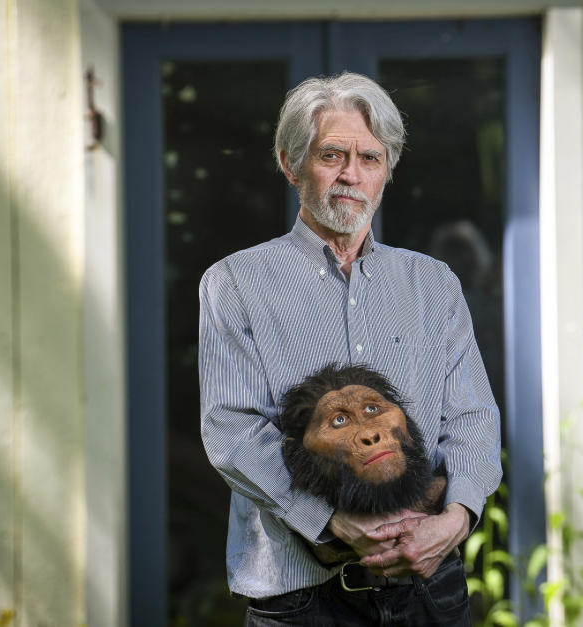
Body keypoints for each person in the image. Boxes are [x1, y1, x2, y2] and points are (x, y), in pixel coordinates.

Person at [198, 71, 502, 625]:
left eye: (370, 158)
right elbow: (231, 428)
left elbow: (474, 418)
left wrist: (457, 518)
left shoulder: (434, 285)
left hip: (430, 589)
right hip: (302, 598)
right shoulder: (234, 283)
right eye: (332, 155)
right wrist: (330, 521)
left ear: (386, 172)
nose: (351, 176)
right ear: (291, 165)